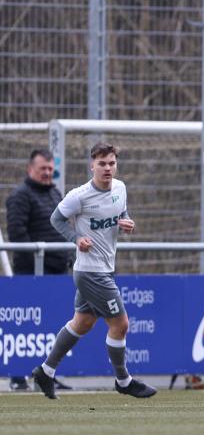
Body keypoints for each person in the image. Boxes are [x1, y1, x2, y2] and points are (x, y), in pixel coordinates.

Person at [31, 143, 156, 399]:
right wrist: (76, 238)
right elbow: (56, 219)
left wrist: (127, 222)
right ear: (92, 166)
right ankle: (123, 380)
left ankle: (46, 371)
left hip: (105, 268)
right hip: (90, 272)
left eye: (111, 163)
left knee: (83, 322)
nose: (107, 168)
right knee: (120, 324)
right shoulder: (80, 195)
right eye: (102, 163)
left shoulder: (120, 188)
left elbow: (121, 213)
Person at [5, 150, 73, 392]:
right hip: (32, 275)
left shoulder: (55, 194)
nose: (47, 173)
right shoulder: (21, 196)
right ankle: (17, 377)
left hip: (57, 274)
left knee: (52, 327)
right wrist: (38, 263)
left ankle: (47, 376)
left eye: (49, 168)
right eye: (42, 168)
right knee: (25, 326)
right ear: (30, 169)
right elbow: (17, 235)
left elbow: (65, 229)